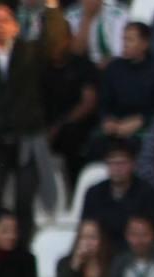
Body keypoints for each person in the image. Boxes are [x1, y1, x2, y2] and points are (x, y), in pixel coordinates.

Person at [0, 0, 69, 251]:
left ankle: (22, 250)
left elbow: (57, 44)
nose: (0, 25)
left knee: (24, 200)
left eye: (5, 20)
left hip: (26, 137)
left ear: (16, 26)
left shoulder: (29, 52)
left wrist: (51, 7)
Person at [81, 138, 154, 256]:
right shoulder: (94, 193)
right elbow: (87, 226)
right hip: (100, 254)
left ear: (133, 164)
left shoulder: (149, 194)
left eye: (122, 163)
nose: (117, 168)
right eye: (112, 163)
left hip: (136, 254)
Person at [41, 20, 100, 189]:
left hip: (75, 125)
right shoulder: (42, 69)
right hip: (45, 125)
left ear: (69, 38)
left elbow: (88, 103)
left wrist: (58, 126)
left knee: (71, 137)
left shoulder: (82, 64)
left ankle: (74, 190)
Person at [96, 20, 154, 155]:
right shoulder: (113, 68)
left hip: (144, 127)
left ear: (145, 44)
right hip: (115, 126)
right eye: (124, 39)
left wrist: (141, 121)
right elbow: (104, 102)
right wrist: (107, 119)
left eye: (130, 40)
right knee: (97, 144)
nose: (125, 44)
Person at [66, 0, 130, 68]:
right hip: (84, 69)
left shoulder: (120, 15)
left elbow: (127, 48)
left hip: (117, 67)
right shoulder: (71, 16)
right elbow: (77, 51)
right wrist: (88, 16)